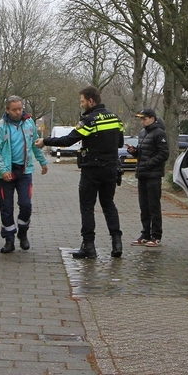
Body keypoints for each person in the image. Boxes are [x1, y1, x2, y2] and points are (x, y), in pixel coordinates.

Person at [35, 86, 124, 259]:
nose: (81, 104)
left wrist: (45, 141)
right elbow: (120, 143)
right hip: (111, 168)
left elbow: (68, 140)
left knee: (87, 206)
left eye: (82, 101)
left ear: (91, 101)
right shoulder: (115, 118)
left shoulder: (89, 120)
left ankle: (89, 246)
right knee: (109, 205)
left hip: (92, 169)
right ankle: (117, 243)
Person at [0, 96, 50, 254]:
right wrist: (3, 170)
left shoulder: (29, 123)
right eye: (14, 109)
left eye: (20, 109)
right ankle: (9, 239)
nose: (18, 112)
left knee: (26, 205)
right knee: (6, 208)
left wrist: (43, 162)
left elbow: (35, 144)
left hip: (24, 172)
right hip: (6, 174)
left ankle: (23, 232)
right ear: (7, 110)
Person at [127, 108, 169, 247]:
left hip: (153, 174)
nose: (142, 121)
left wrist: (149, 163)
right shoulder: (143, 133)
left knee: (153, 206)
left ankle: (156, 236)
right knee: (144, 206)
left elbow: (164, 154)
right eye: (141, 119)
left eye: (144, 119)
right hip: (143, 174)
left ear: (152, 118)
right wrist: (134, 152)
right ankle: (145, 234)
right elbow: (142, 153)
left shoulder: (159, 133)